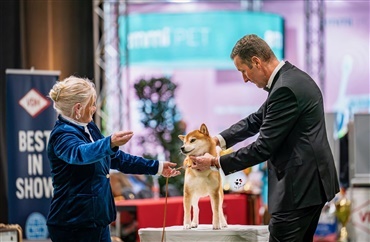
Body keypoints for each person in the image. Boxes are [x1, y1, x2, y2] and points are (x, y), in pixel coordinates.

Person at [192, 34, 339, 241]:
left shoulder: (285, 88)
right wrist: (217, 140)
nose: (244, 79)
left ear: (256, 62)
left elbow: (263, 147)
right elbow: (256, 120)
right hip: (308, 186)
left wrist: (215, 162)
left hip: (298, 190)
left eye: (243, 71)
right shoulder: (290, 79)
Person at [46, 76, 180, 242]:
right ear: (78, 108)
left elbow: (117, 159)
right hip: (74, 224)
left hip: (96, 220)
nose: (95, 108)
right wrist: (109, 142)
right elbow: (80, 154)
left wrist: (157, 167)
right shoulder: (62, 135)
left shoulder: (89, 127)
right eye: (92, 103)